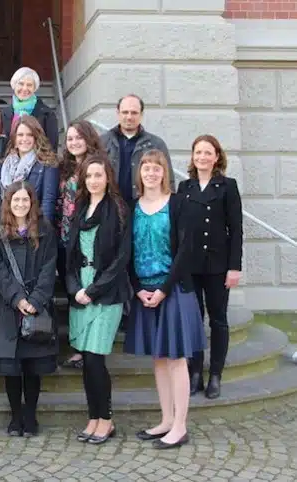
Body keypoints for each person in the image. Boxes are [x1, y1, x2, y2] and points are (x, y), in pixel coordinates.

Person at [124, 150, 206, 450]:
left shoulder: (178, 204)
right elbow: (127, 252)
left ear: (165, 173)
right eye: (146, 168)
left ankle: (181, 426)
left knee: (176, 359)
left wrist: (164, 290)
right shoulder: (133, 208)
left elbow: (186, 251)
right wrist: (136, 288)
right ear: (140, 173)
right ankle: (166, 419)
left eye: (157, 168)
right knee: (159, 359)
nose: (151, 173)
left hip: (172, 291)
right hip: (144, 291)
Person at [66, 155, 131, 445]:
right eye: (89, 175)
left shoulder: (117, 209)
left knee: (95, 360)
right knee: (87, 362)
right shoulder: (80, 208)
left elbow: (121, 260)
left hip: (106, 294)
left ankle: (106, 419)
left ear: (108, 178)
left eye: (98, 175)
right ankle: (93, 417)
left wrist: (93, 290)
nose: (93, 180)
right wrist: (75, 288)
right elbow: (68, 255)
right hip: (80, 290)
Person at [0, 181, 58, 437]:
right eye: (15, 200)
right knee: (12, 368)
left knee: (32, 368)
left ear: (32, 203)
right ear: (8, 203)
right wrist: (17, 299)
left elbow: (49, 268)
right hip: (8, 308)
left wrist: (36, 300)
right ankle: (15, 415)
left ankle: (31, 415)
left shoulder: (46, 231)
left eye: (25, 200)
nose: (20, 204)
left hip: (36, 308)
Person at [178, 135, 243, 399]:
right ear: (193, 157)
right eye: (198, 153)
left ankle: (215, 374)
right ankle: (195, 373)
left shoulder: (227, 186)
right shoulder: (185, 187)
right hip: (190, 265)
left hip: (218, 264)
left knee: (218, 320)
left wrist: (234, 267)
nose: (202, 157)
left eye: (208, 153)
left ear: (217, 157)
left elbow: (236, 229)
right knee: (194, 321)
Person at [56, 120, 107, 369]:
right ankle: (77, 346)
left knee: (90, 288)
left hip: (90, 235)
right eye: (70, 139)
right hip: (66, 237)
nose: (74, 142)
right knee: (72, 291)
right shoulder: (64, 167)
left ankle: (92, 345)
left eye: (79, 138)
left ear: (88, 138)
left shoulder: (98, 166)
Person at [101, 94, 174, 206]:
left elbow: (169, 182)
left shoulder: (156, 144)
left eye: (134, 112)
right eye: (125, 112)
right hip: (109, 209)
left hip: (144, 209)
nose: (129, 117)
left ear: (141, 115)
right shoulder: (103, 142)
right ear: (118, 113)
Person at [0, 116, 59, 223]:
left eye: (30, 135)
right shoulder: (3, 166)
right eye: (20, 135)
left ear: (36, 138)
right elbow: (0, 204)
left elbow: (48, 202)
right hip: (9, 227)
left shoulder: (47, 164)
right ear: (14, 139)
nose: (24, 139)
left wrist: (44, 232)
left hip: (35, 228)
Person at [1, 67, 59, 151]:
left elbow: (52, 146)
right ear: (14, 85)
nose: (25, 88)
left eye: (29, 85)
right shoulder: (5, 114)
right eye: (21, 84)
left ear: (34, 88)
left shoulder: (47, 114)